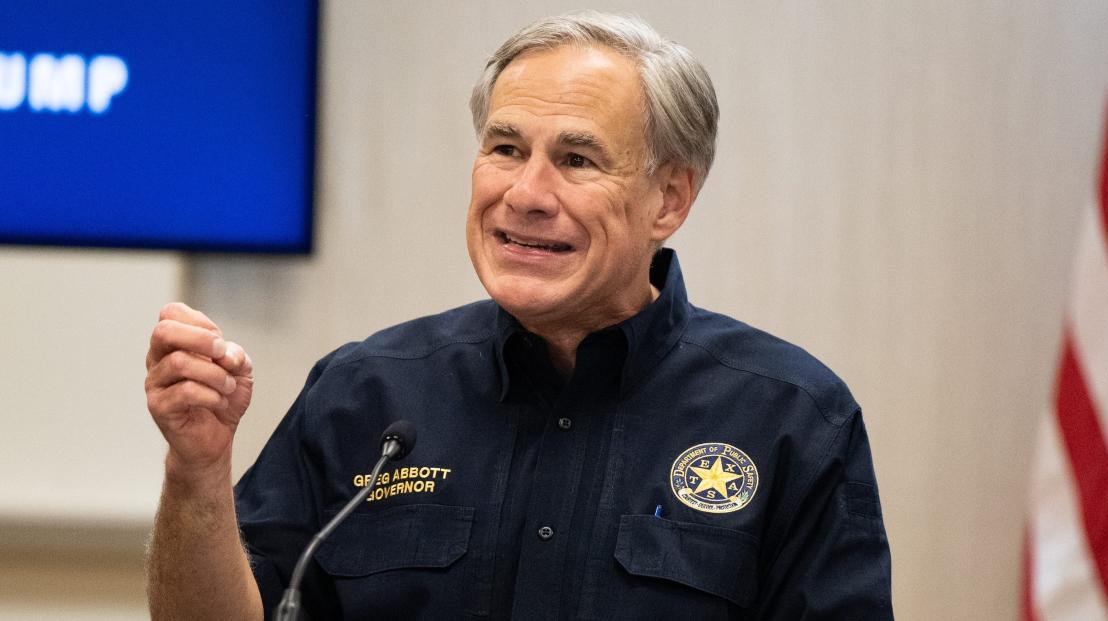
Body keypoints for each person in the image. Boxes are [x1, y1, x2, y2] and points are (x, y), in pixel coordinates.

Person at [144, 11, 892, 620]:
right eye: (505, 147)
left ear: (669, 199)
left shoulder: (791, 416)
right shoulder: (365, 391)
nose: (526, 193)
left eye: (577, 159)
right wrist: (197, 472)